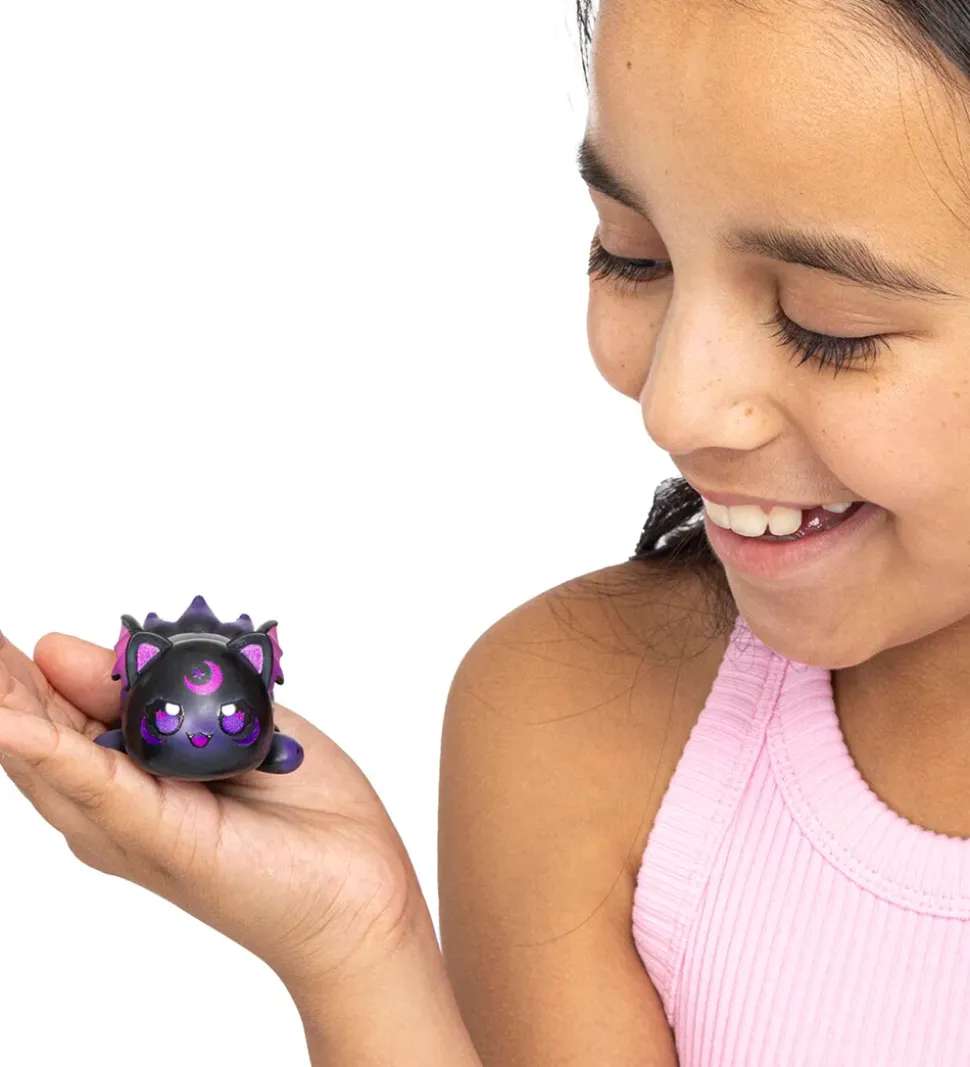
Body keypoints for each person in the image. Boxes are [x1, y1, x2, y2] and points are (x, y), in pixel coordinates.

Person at [3, 0, 970, 1062]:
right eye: (634, 255)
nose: (674, 407)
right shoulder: (582, 728)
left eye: (827, 324)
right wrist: (354, 946)